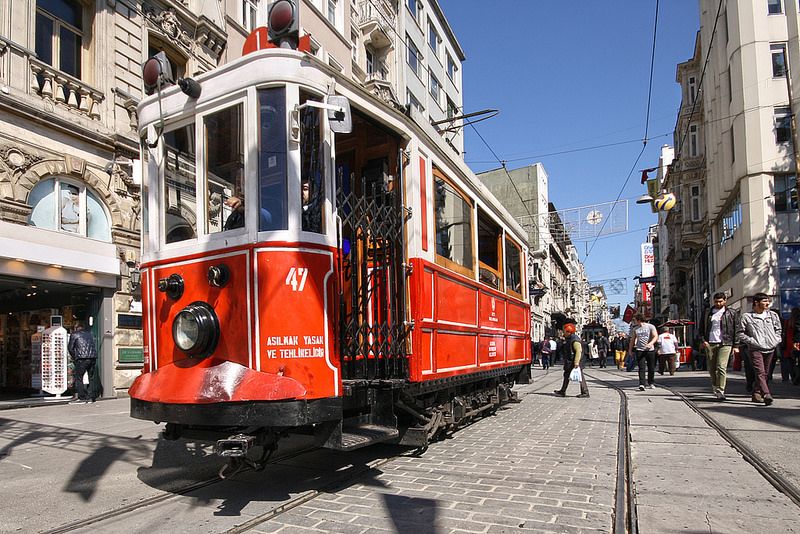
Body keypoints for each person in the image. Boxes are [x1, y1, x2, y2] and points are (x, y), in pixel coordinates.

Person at [737, 293, 782, 406]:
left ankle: (756, 393)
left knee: (765, 373)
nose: (767, 303)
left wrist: (776, 340)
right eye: (764, 301)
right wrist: (752, 341)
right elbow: (740, 333)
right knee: (760, 372)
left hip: (770, 347)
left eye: (768, 301)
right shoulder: (747, 316)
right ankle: (766, 394)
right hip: (755, 348)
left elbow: (778, 330)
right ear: (756, 303)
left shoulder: (772, 315)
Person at [698, 292, 739, 401]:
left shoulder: (732, 313)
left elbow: (736, 329)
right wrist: (703, 341)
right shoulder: (707, 313)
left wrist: (736, 345)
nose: (718, 303)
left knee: (721, 366)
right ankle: (715, 386)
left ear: (725, 301)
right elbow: (701, 328)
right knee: (712, 368)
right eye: (716, 301)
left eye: (720, 301)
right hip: (710, 343)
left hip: (725, 343)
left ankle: (720, 390)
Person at [553, 322, 589, 398]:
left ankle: (585, 392)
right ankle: (562, 391)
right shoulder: (569, 338)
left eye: (564, 331)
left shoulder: (574, 339)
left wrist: (576, 362)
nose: (563, 332)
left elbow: (578, 351)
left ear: (568, 331)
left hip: (574, 361)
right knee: (566, 375)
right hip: (570, 361)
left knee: (580, 376)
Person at [67, 320, 99, 404]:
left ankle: (82, 397)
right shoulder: (89, 334)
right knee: (91, 378)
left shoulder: (74, 334)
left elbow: (70, 348)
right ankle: (91, 397)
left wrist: (75, 357)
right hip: (92, 357)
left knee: (79, 378)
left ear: (76, 327)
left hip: (81, 359)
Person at [628, 313, 658, 390]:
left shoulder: (650, 326)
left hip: (650, 350)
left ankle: (651, 382)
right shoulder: (635, 329)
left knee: (651, 367)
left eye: (635, 320)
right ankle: (642, 384)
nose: (634, 321)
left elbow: (655, 336)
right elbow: (632, 340)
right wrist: (630, 350)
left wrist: (651, 343)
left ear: (638, 320)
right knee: (641, 368)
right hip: (640, 350)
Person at [780, 307, 799, 383]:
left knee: (789, 362)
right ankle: (796, 377)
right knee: (796, 362)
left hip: (788, 343)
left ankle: (790, 377)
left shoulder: (788, 321)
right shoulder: (796, 321)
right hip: (796, 343)